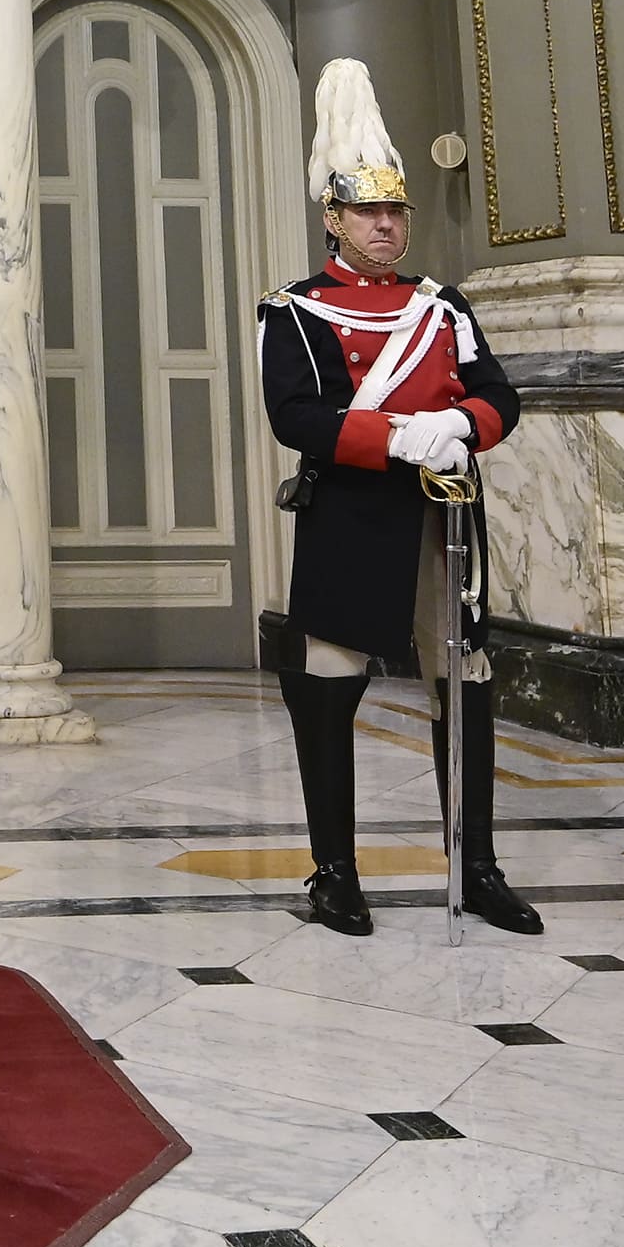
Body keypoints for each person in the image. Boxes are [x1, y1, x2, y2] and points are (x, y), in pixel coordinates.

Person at [256, 59, 543, 940]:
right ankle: (333, 873)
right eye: (367, 213)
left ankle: (477, 865)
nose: (385, 227)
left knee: (465, 688)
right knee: (328, 692)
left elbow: (500, 393)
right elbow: (295, 415)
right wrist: (394, 438)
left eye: (396, 212)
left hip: (445, 518)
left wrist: (460, 427)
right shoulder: (295, 309)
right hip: (350, 521)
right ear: (332, 219)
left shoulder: (441, 305)